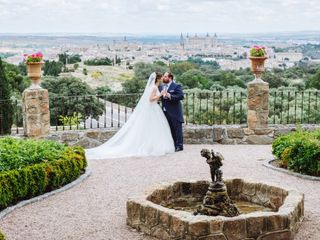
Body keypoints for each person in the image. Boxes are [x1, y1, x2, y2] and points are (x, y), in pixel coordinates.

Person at [85, 72, 175, 159]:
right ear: (158, 79)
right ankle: (152, 147)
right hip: (153, 108)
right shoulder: (154, 88)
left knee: (150, 128)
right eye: (162, 77)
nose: (163, 78)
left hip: (154, 108)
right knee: (153, 128)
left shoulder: (153, 87)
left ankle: (151, 146)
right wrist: (160, 94)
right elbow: (151, 99)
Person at [160, 72, 184, 152]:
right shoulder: (162, 87)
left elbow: (181, 96)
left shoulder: (176, 86)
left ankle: (179, 146)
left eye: (165, 76)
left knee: (177, 129)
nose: (163, 78)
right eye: (163, 76)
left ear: (170, 78)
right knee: (170, 129)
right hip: (165, 112)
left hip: (175, 112)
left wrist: (170, 96)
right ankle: (173, 144)